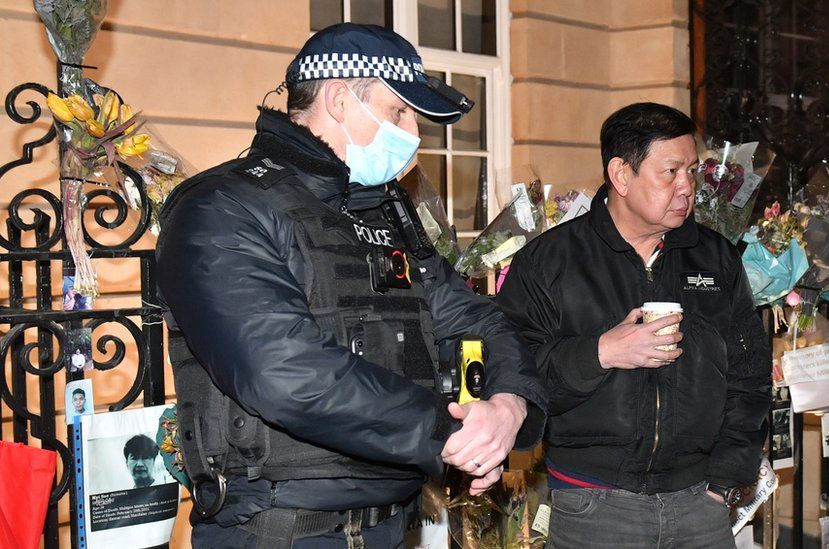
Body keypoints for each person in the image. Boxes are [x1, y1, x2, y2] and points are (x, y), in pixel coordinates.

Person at [155, 23, 546, 548]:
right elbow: (284, 372)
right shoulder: (222, 207)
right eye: (399, 112)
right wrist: (449, 434)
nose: (413, 132)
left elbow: (473, 317)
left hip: (389, 523)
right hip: (281, 530)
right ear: (339, 99)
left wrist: (509, 406)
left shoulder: (382, 211)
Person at [496, 102, 772, 548]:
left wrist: (725, 482)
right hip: (593, 507)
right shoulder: (551, 261)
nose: (688, 187)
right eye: (670, 172)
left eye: (692, 171)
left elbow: (751, 375)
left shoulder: (716, 258)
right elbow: (514, 378)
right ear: (621, 175)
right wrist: (601, 353)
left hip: (700, 506)